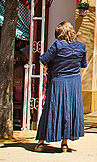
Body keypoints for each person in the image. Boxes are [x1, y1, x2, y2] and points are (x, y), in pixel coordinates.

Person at [35, 22, 87, 152]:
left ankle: (41, 142)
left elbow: (42, 59)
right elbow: (83, 64)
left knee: (51, 109)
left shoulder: (57, 45)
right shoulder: (81, 46)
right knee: (70, 110)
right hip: (74, 82)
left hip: (58, 81)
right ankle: (65, 143)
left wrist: (47, 68)